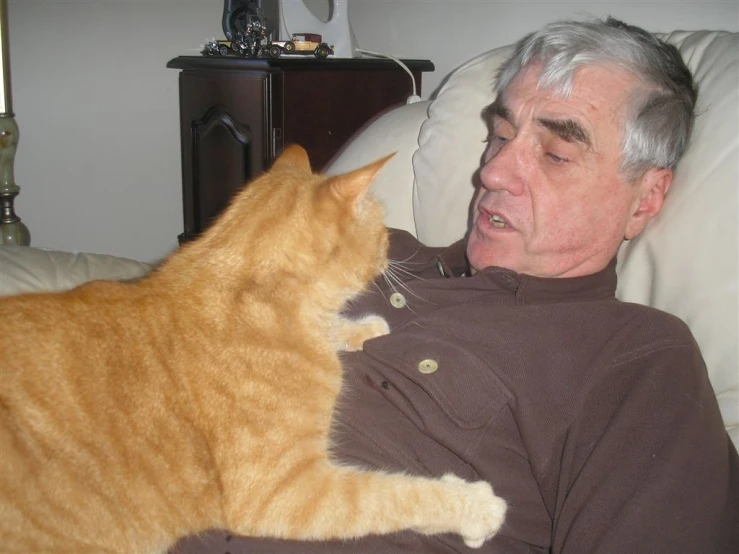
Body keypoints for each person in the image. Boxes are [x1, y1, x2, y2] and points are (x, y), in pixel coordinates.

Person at [174, 17, 738, 554]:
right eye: (500, 134)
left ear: (645, 199)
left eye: (556, 153)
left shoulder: (637, 358)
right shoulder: (374, 246)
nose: (491, 173)